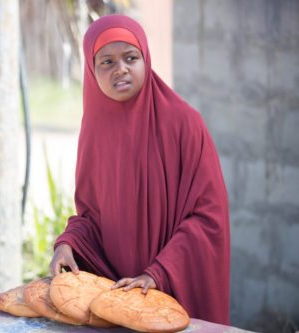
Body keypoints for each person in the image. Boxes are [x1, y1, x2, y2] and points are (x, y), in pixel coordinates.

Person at [49, 14, 230, 325]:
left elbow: (208, 218)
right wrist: (68, 243)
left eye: (130, 57)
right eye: (106, 62)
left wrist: (157, 274)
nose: (120, 68)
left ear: (145, 58)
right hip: (118, 297)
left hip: (170, 292)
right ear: (91, 72)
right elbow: (93, 216)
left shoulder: (184, 124)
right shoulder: (95, 131)